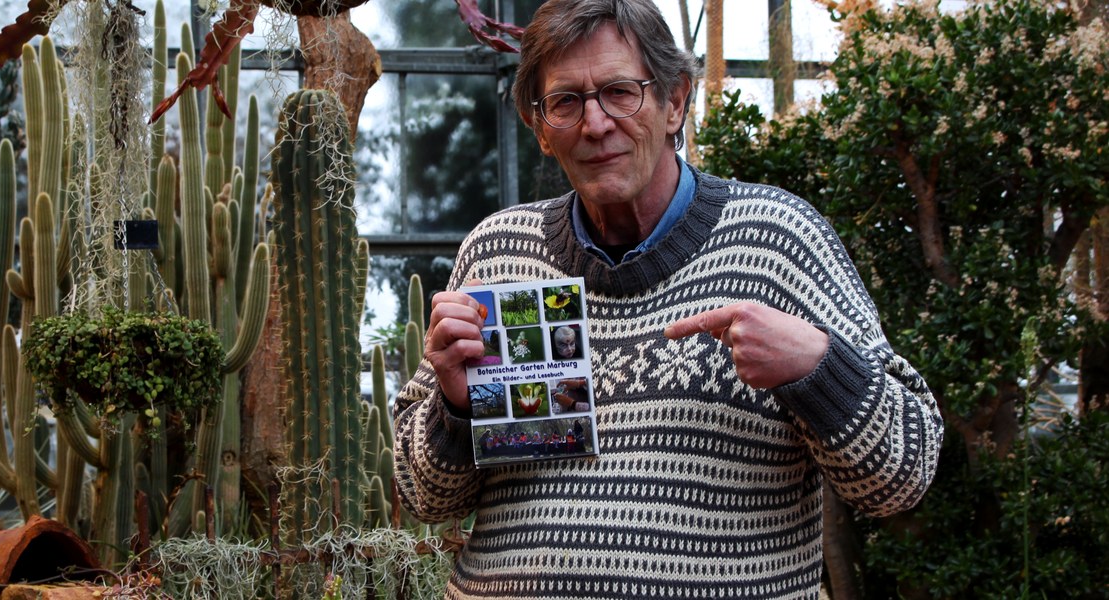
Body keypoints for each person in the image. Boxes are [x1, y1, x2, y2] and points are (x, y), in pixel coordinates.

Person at [392, 0, 944, 597]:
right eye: (566, 102)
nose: (596, 123)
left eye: (620, 92)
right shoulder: (498, 254)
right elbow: (425, 498)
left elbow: (902, 478)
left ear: (675, 102)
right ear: (541, 129)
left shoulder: (778, 243)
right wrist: (456, 406)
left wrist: (817, 368)